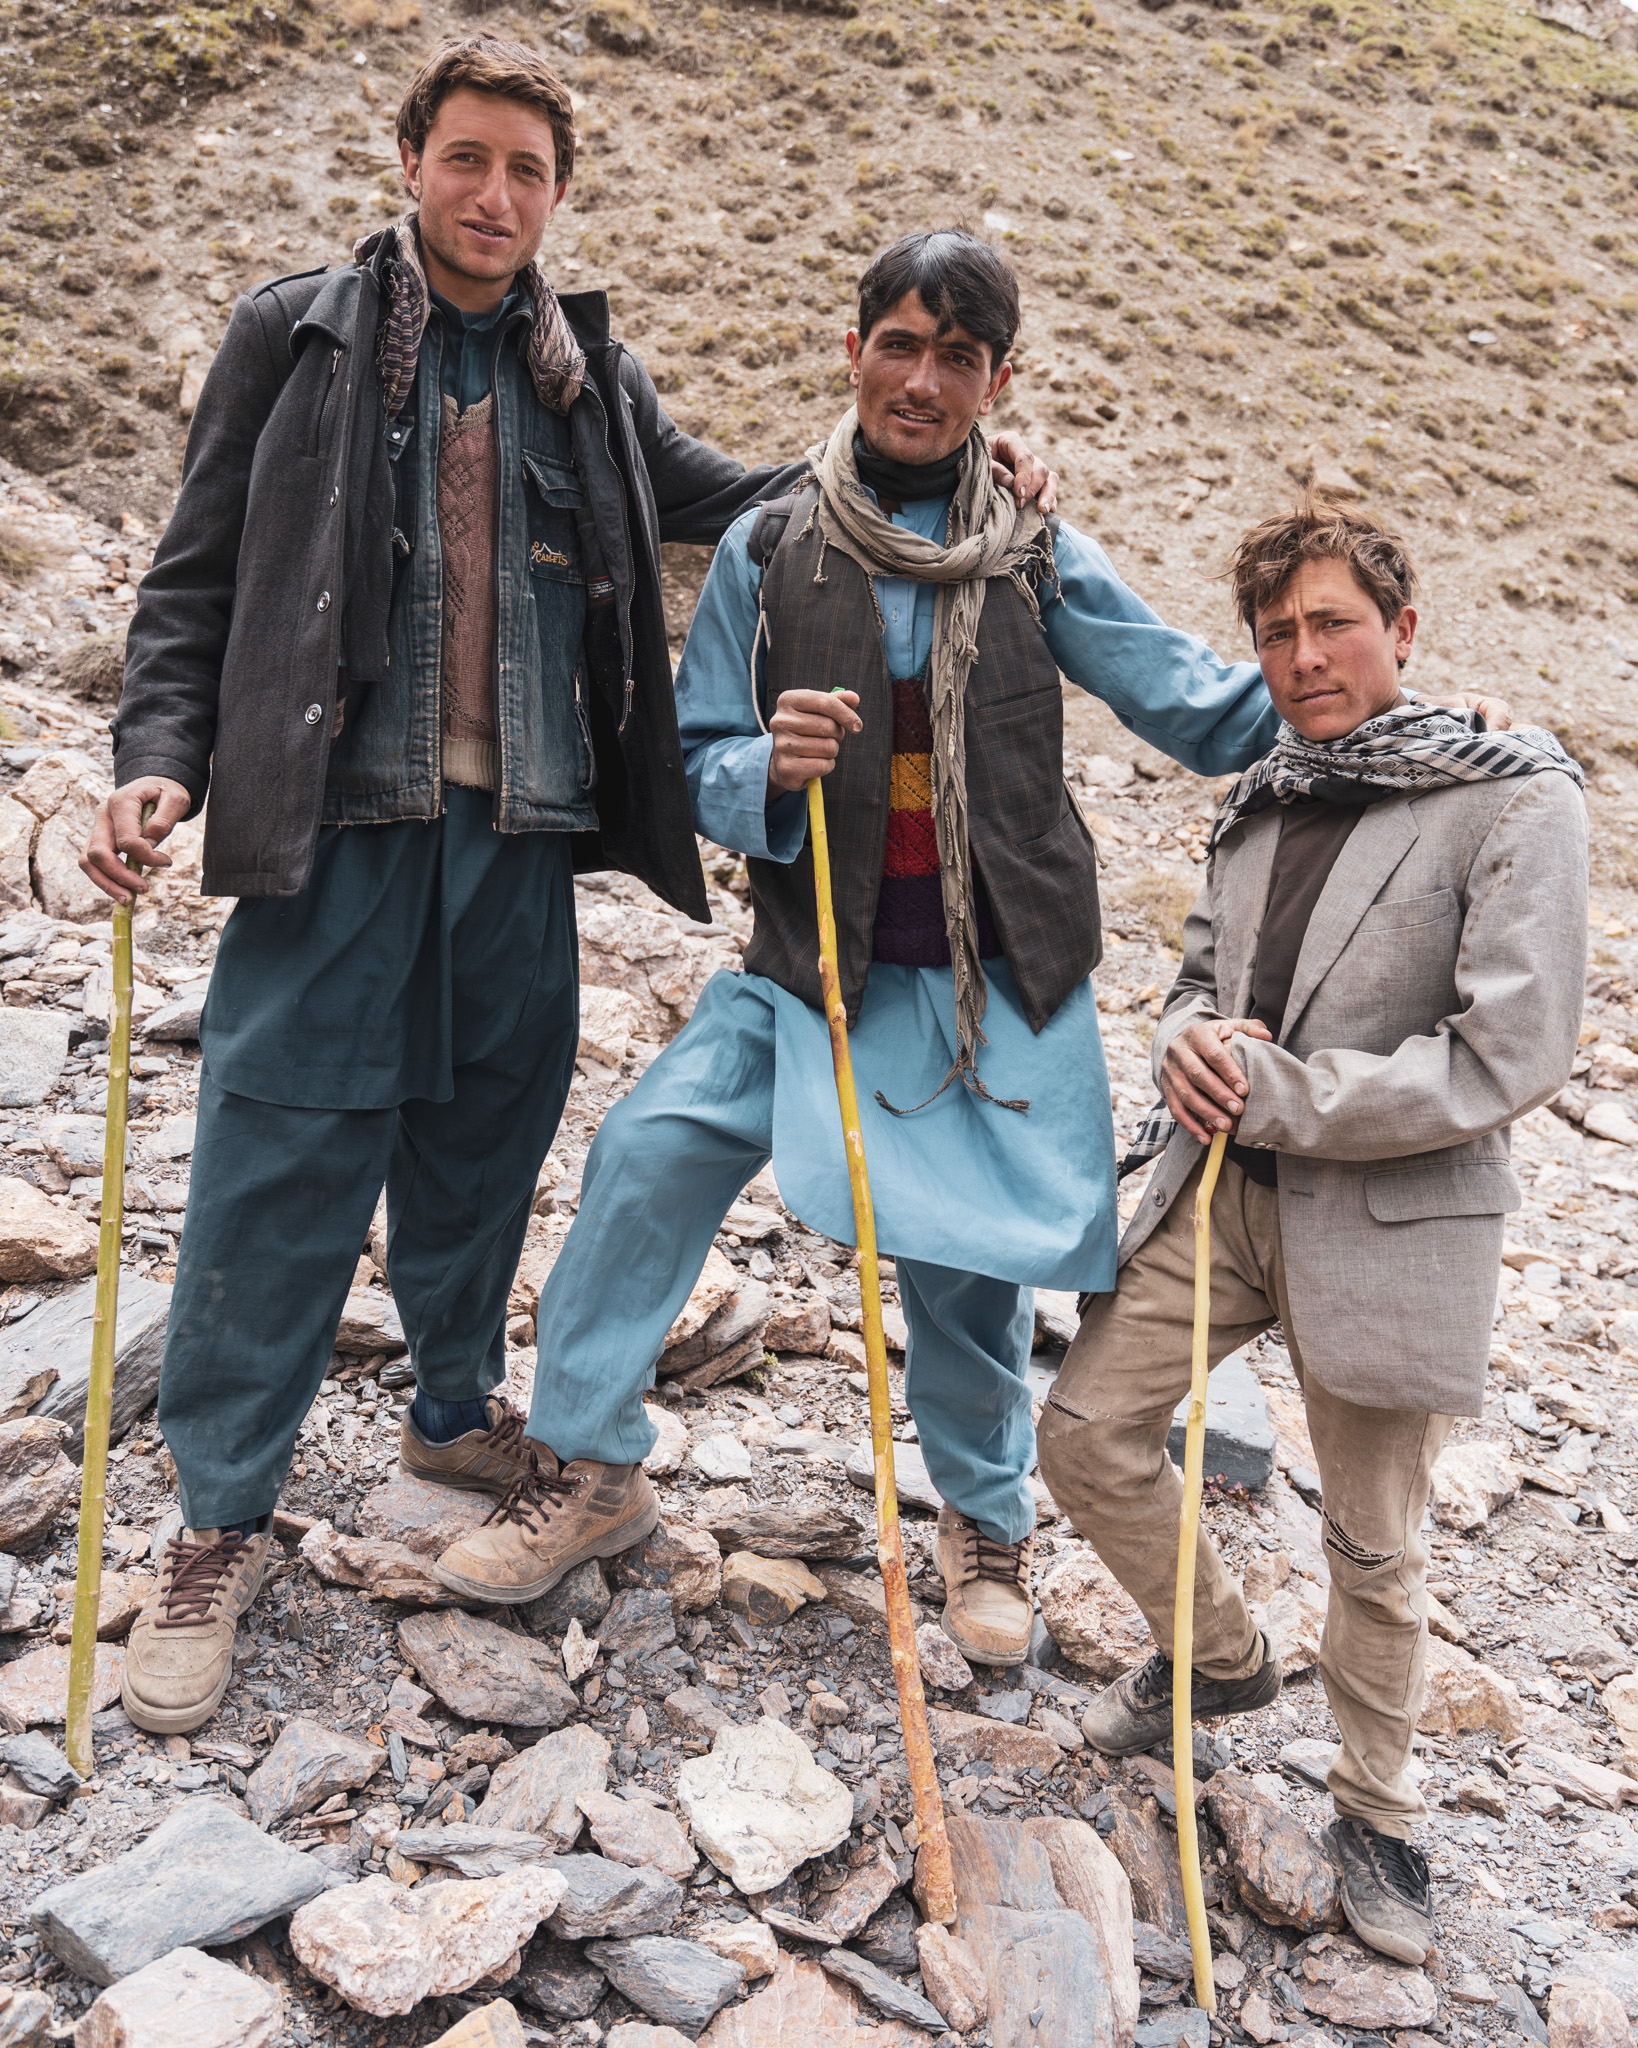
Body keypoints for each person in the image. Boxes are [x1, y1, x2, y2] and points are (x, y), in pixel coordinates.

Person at [76, 38, 1055, 1739]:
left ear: (556, 196)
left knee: (480, 1141)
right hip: (338, 834)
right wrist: (156, 758)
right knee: (275, 1161)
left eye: (528, 172)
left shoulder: (585, 374)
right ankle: (218, 1524)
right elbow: (194, 580)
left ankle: (453, 1410)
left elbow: (753, 505)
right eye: (468, 160)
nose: (494, 197)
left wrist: (961, 470)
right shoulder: (288, 335)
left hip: (523, 841)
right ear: (409, 162)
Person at [425, 234, 1508, 1665]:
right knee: (648, 1156)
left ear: (1001, 381)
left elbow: (1189, 701)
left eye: (956, 356)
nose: (919, 380)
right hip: (807, 970)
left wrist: (1386, 716)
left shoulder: (1035, 549)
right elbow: (692, 758)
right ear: (853, 348)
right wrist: (767, 765)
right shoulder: (768, 544)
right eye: (899, 344)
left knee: (970, 1259)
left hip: (986, 983)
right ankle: (590, 1469)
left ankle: (982, 1518)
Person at [1036, 498, 1587, 1965]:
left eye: (1331, 622)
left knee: (1372, 1545)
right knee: (1085, 1431)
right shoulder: (1259, 796)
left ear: (1400, 631)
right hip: (1218, 1200)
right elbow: (1198, 979)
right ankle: (1216, 1664)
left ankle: (1378, 1810)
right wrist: (1178, 1048)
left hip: (1388, 1216)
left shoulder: (1515, 794)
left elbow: (1509, 1054)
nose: (1300, 654)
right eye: (1275, 632)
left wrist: (1279, 1089)